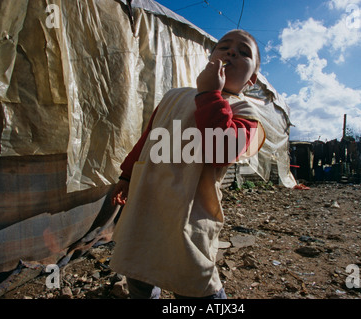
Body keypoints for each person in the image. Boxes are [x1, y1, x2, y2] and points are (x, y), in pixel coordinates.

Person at [109, 29, 265, 299]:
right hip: (147, 199)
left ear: (251, 80)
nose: (231, 52)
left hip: (191, 208)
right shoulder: (174, 96)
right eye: (224, 47)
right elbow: (148, 139)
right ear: (210, 58)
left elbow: (220, 150)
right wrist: (126, 177)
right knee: (138, 262)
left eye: (243, 52)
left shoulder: (245, 113)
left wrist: (210, 94)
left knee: (192, 274)